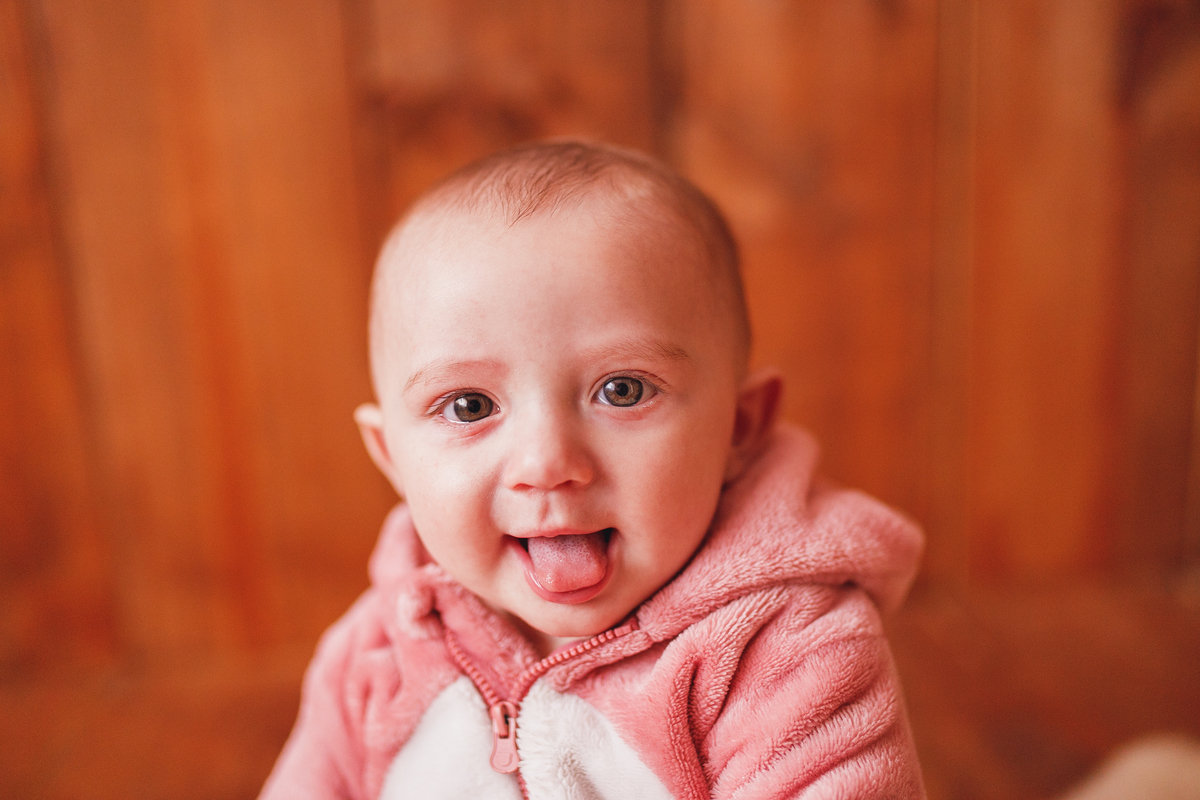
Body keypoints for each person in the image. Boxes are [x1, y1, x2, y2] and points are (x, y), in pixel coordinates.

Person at [259, 140, 926, 799]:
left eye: (623, 391)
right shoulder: (375, 652)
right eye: (469, 405)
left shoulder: (792, 655)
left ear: (739, 427)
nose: (547, 464)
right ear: (391, 458)